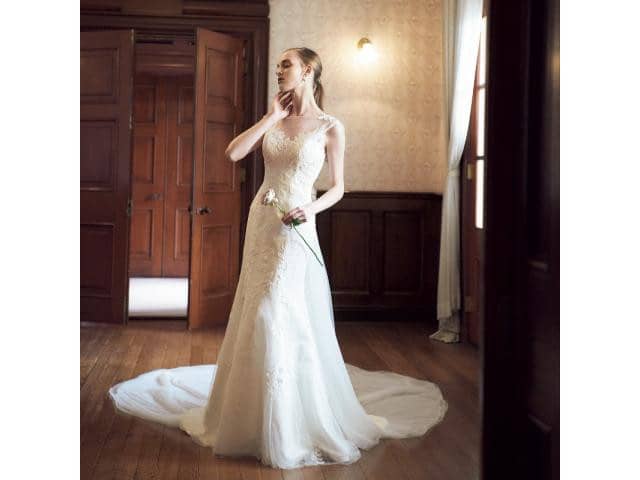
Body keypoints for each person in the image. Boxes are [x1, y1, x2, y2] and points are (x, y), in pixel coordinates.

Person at [109, 47, 448, 470]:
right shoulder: (275, 119)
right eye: (279, 65)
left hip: (296, 225)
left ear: (307, 71)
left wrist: (311, 209)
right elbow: (234, 153)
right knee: (255, 307)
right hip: (263, 222)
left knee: (276, 309)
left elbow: (339, 187)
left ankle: (288, 420)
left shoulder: (330, 126)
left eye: (286, 65)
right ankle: (247, 417)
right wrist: (271, 117)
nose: (279, 70)